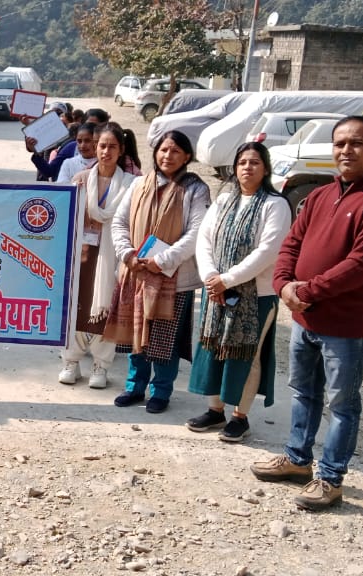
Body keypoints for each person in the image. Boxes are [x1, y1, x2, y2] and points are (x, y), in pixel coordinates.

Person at [250, 116, 363, 511]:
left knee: (342, 405)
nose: (346, 150)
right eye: (339, 143)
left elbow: (361, 265)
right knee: (303, 392)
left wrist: (306, 291)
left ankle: (331, 478)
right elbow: (291, 243)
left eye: (356, 143)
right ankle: (298, 459)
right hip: (305, 319)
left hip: (344, 326)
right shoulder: (321, 195)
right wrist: (283, 284)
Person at [185, 142, 291, 442]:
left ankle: (240, 417)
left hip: (256, 295)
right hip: (216, 290)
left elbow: (267, 251)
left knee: (247, 355)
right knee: (214, 349)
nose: (247, 167)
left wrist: (227, 280)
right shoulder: (224, 200)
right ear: (234, 168)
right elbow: (204, 240)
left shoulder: (275, 205)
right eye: (242, 162)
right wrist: (211, 277)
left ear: (266, 169)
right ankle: (215, 410)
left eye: (254, 162)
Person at [104, 130, 211, 414]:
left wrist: (161, 260)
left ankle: (161, 391)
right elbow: (119, 222)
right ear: (155, 152)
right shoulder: (139, 183)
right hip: (136, 272)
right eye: (163, 150)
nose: (168, 156)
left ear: (187, 156)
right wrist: (128, 254)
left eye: (175, 151)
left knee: (165, 340)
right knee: (135, 333)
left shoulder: (196, 189)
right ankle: (134, 386)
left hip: (173, 278)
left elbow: (196, 233)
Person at [60, 125, 137, 389]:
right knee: (76, 307)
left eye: (112, 146)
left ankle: (100, 366)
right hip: (82, 254)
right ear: (96, 147)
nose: (106, 151)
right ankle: (71, 361)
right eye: (102, 146)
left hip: (112, 256)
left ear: (121, 150)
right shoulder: (81, 179)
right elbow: (67, 216)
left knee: (107, 310)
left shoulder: (131, 184)